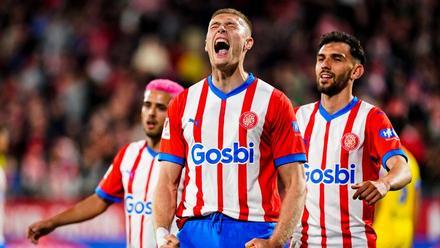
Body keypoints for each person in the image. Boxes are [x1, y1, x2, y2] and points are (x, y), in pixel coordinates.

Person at [153, 8, 307, 248]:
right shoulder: (183, 103)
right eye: (214, 26)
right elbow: (166, 180)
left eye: (231, 26)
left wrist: (277, 241)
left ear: (248, 43)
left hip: (253, 230)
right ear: (206, 44)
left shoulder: (274, 101)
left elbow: (296, 183)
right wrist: (162, 234)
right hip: (194, 232)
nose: (221, 29)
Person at [27, 79, 184, 247]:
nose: (151, 113)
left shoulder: (187, 161)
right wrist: (53, 222)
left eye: (161, 108)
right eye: (147, 105)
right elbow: (99, 200)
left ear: (175, 113)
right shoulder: (129, 155)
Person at [292, 31, 412, 247]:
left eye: (336, 58)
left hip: (354, 242)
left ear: (356, 71)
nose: (325, 64)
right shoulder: (298, 117)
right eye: (321, 59)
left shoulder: (371, 118)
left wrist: (384, 183)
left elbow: (403, 170)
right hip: (303, 243)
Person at [373, 147, 421, 248]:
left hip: (382, 228)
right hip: (405, 230)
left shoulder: (383, 158)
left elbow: (376, 197)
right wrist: (412, 232)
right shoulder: (411, 161)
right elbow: (416, 203)